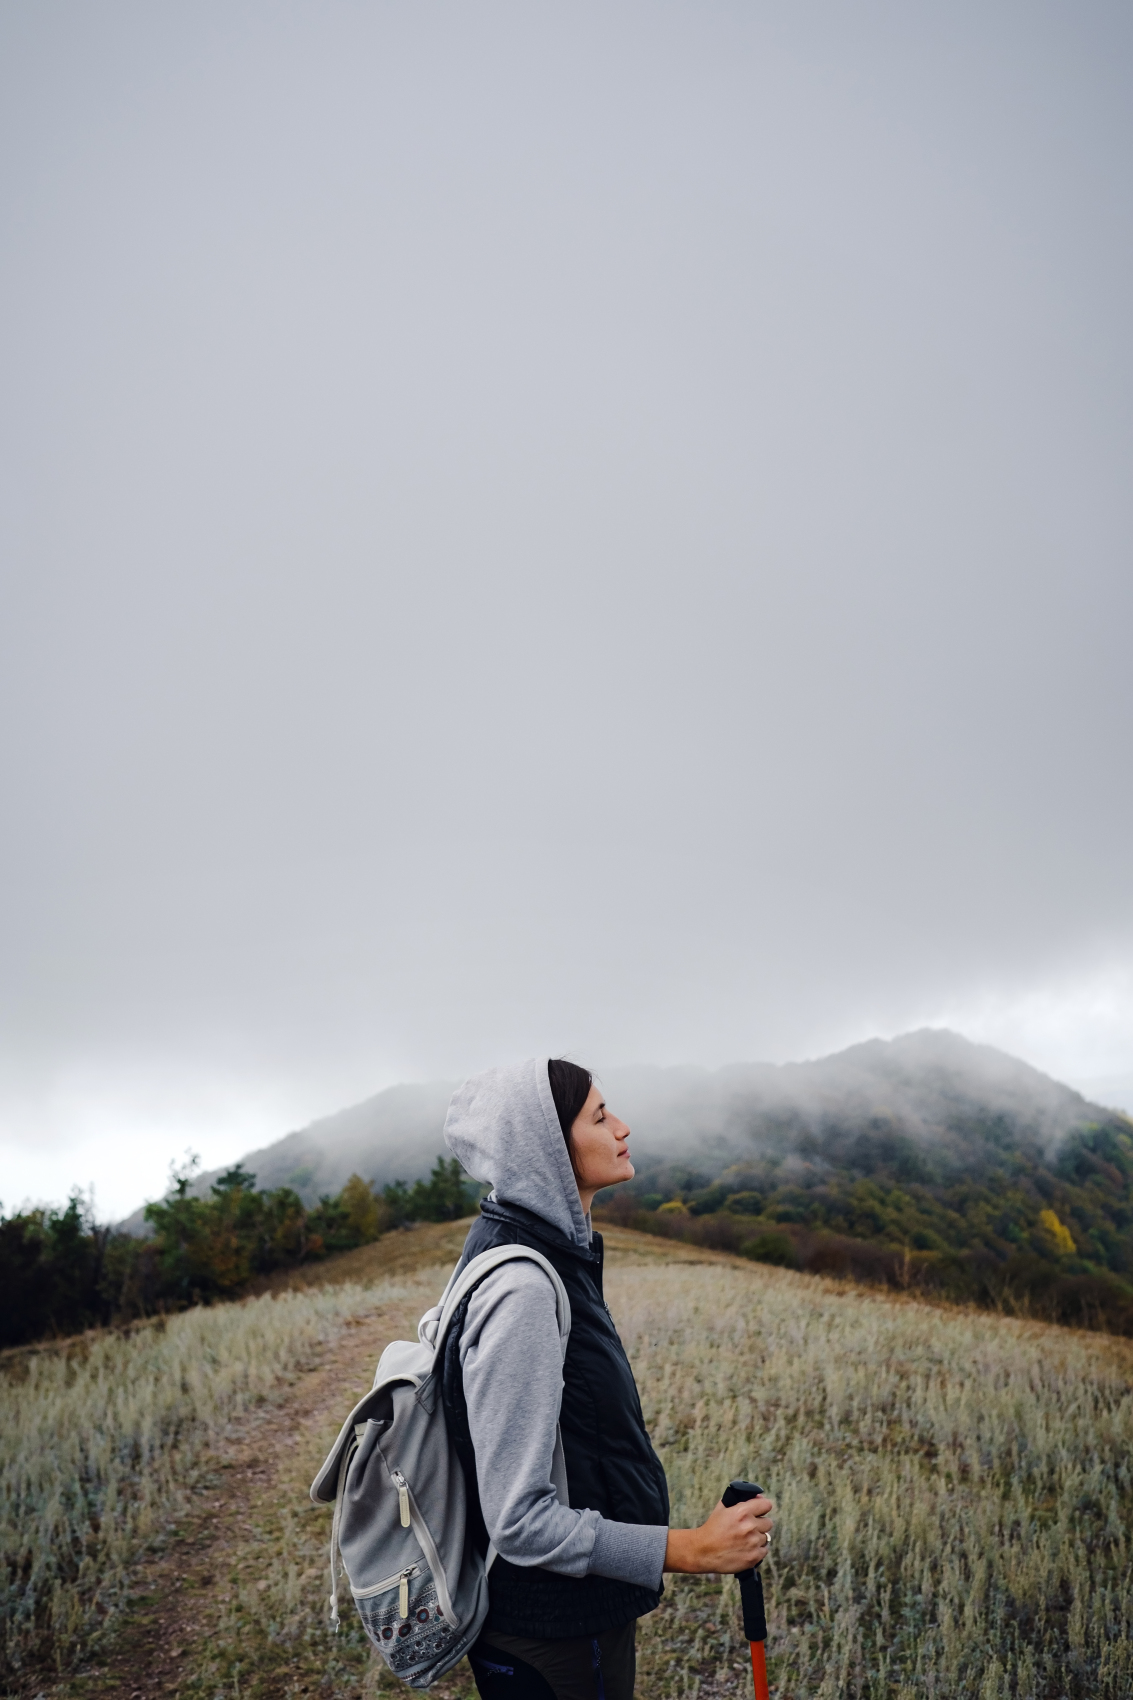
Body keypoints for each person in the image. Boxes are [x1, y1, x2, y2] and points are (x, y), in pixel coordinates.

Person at [441, 1057, 774, 1700]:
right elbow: (520, 1523)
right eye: (598, 1116)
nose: (622, 1127)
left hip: (564, 1621)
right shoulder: (526, 1289)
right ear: (547, 1147)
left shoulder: (536, 1249)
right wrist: (690, 1549)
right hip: (555, 1633)